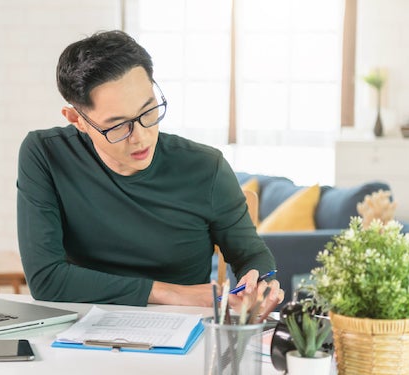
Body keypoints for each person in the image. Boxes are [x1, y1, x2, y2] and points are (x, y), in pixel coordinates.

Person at [16, 30, 283, 315]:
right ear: (78, 120)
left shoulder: (205, 167)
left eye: (148, 111)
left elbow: (252, 256)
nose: (141, 137)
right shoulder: (46, 154)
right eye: (118, 126)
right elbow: (46, 280)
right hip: (83, 329)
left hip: (183, 330)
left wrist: (260, 286)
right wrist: (170, 293)